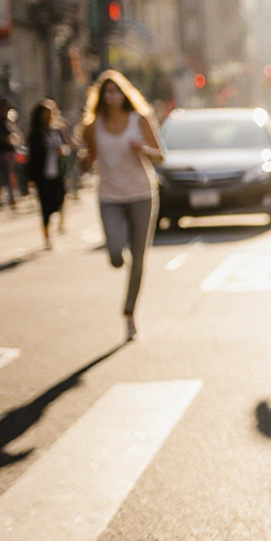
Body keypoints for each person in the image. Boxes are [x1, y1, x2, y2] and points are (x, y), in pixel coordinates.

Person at [79, 71, 165, 341]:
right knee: (116, 253)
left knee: (138, 259)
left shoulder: (140, 119)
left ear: (125, 93)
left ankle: (129, 314)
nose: (113, 96)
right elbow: (90, 156)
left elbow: (161, 155)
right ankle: (118, 256)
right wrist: (83, 160)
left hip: (141, 193)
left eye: (117, 90)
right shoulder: (93, 125)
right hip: (110, 197)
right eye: (108, 91)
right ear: (101, 97)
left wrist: (143, 149)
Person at [26, 100, 71, 249]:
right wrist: (30, 178)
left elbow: (65, 148)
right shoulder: (36, 133)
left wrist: (62, 151)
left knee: (61, 196)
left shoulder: (56, 131)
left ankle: (60, 223)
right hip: (42, 174)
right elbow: (31, 156)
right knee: (45, 206)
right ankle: (47, 237)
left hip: (57, 172)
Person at [0, 99, 19, 210]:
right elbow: (2, 138)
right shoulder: (0, 123)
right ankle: (5, 197)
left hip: (7, 152)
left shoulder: (6, 122)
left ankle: (8, 197)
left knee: (7, 176)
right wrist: (11, 140)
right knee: (5, 176)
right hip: (3, 153)